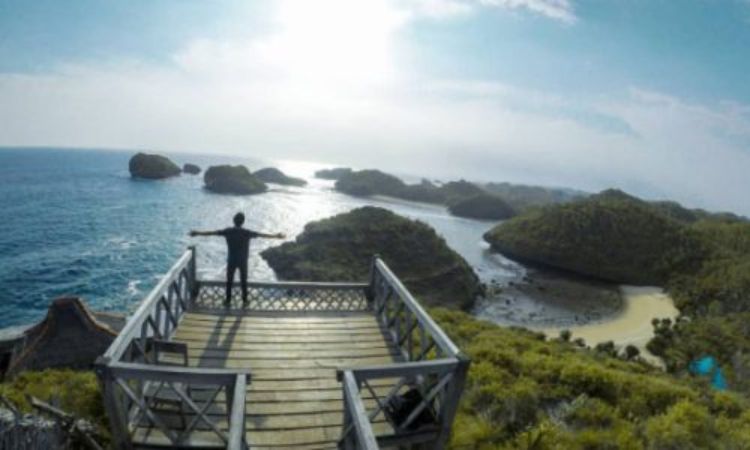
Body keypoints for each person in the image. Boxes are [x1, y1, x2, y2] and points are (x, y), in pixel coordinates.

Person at [189, 212, 285, 306]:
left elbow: (212, 233)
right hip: (243, 260)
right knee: (243, 280)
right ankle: (245, 300)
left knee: (229, 280)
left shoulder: (228, 231)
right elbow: (262, 235)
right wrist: (276, 236)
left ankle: (227, 300)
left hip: (232, 259)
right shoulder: (246, 232)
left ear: (233, 221)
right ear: (243, 222)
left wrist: (197, 233)